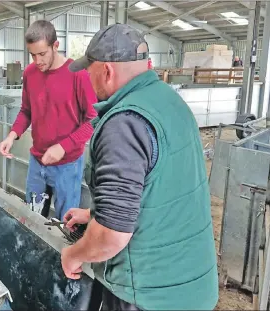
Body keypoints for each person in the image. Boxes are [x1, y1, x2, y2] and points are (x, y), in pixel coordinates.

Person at [60, 24, 218, 310]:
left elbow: (111, 236)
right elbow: (158, 188)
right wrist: (94, 213)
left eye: (90, 70)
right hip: (189, 284)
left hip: (148, 293)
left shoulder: (123, 124)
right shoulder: (168, 102)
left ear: (106, 71)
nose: (88, 78)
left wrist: (73, 253)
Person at [0, 20, 97, 220]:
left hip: (67, 165)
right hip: (37, 161)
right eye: (32, 55)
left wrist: (64, 146)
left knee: (65, 223)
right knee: (33, 218)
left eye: (42, 54)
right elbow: (26, 111)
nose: (37, 61)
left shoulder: (78, 75)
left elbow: (93, 119)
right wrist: (12, 135)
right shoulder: (30, 73)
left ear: (55, 46)